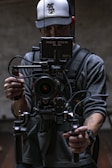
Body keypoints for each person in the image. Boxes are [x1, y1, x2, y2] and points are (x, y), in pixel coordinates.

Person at [4, 0, 107, 168]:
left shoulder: (90, 63)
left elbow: (96, 107)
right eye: (47, 28)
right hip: (34, 155)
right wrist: (18, 96)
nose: (53, 34)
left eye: (60, 27)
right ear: (38, 27)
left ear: (71, 23)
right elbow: (21, 112)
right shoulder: (30, 61)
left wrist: (87, 135)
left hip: (76, 155)